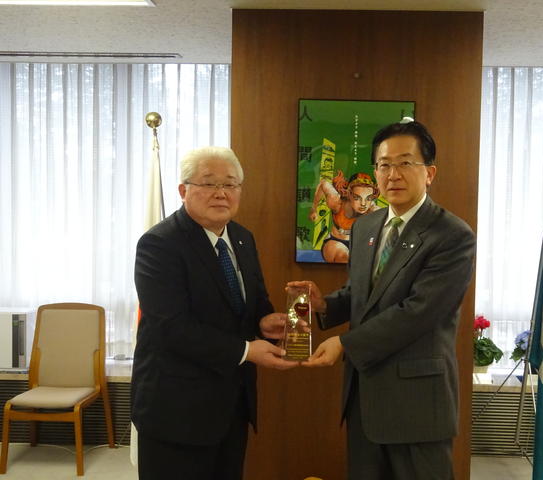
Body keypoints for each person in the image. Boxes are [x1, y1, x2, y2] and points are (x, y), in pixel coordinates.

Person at [288, 120, 476, 480]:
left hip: (418, 405)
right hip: (365, 398)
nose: (393, 174)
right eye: (384, 164)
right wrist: (325, 305)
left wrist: (344, 343)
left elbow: (417, 313)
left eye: (406, 162)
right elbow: (364, 293)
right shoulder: (367, 226)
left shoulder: (452, 235)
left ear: (429, 172)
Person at [131, 146, 297, 480]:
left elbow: (254, 303)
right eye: (208, 184)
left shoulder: (242, 239)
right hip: (176, 411)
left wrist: (266, 321)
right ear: (184, 191)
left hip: (231, 406)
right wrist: (248, 350)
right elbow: (171, 328)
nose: (221, 193)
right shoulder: (160, 244)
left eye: (231, 184)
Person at [309, 171, 379, 263]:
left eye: (368, 198)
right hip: (336, 242)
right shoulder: (336, 202)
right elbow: (323, 184)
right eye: (357, 197)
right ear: (349, 194)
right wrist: (313, 209)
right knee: (343, 258)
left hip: (358, 246)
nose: (363, 204)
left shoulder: (372, 208)